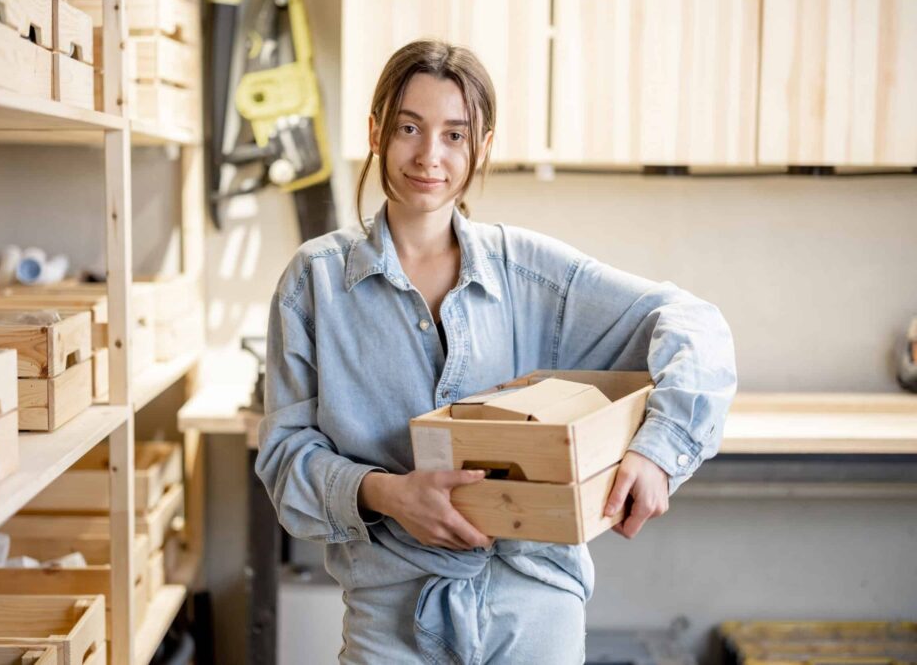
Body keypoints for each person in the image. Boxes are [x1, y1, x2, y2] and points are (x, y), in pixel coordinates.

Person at [256, 40, 737, 664]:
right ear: (375, 131)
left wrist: (659, 449)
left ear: (482, 146)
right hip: (391, 621)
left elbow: (695, 323)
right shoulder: (313, 281)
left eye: (456, 135)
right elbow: (286, 457)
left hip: (533, 610)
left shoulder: (533, 276)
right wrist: (387, 493)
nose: (430, 155)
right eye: (409, 127)